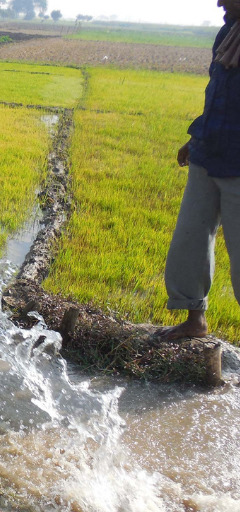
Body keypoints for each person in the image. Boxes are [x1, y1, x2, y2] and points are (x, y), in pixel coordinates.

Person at [156, 0, 240, 340]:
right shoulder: (227, 34)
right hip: (208, 154)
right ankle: (194, 320)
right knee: (189, 239)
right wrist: (197, 137)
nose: (219, 2)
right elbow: (216, 94)